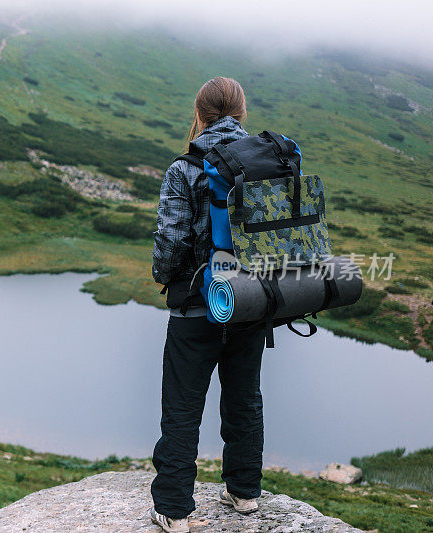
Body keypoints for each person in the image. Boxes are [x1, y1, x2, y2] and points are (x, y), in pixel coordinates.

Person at [148, 77, 267, 533]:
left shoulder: (185, 167)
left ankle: (175, 510)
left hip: (196, 305)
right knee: (244, 398)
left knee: (182, 405)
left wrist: (166, 276)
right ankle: (244, 493)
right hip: (252, 301)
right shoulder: (267, 159)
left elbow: (171, 241)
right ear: (241, 111)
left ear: (199, 112)